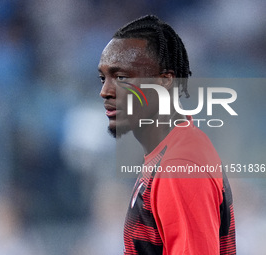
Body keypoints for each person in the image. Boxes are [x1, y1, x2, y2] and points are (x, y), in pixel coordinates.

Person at [98, 15, 236, 254]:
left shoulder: (179, 165)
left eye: (121, 78)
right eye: (103, 78)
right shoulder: (169, 154)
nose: (105, 91)